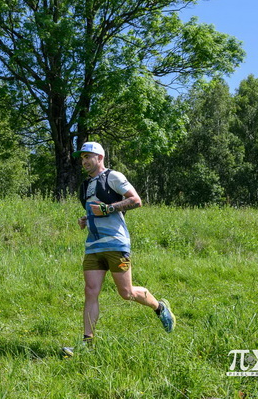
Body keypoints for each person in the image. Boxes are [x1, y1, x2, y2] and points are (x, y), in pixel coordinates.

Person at [62, 142, 175, 357]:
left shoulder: (113, 176)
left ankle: (159, 307)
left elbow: (136, 200)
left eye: (88, 156)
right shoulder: (86, 185)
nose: (84, 161)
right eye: (82, 158)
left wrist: (108, 209)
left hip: (115, 242)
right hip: (93, 245)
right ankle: (87, 344)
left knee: (126, 293)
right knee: (90, 291)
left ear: (100, 157)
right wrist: (86, 218)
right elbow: (97, 209)